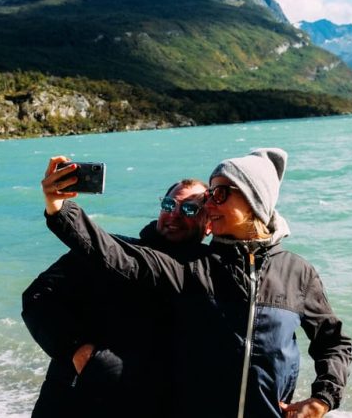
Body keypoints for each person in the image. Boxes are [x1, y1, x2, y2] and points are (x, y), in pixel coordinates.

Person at [41, 149, 352, 418]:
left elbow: (333, 341)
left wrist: (321, 399)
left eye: (218, 194)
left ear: (254, 201)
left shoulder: (298, 272)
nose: (210, 205)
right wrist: (59, 209)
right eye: (208, 197)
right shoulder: (193, 267)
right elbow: (115, 254)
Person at [23, 156, 211, 418]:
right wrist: (77, 350)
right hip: (75, 400)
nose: (174, 214)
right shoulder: (110, 252)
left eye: (189, 209)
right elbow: (38, 296)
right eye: (169, 204)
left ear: (210, 223)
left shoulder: (210, 275)